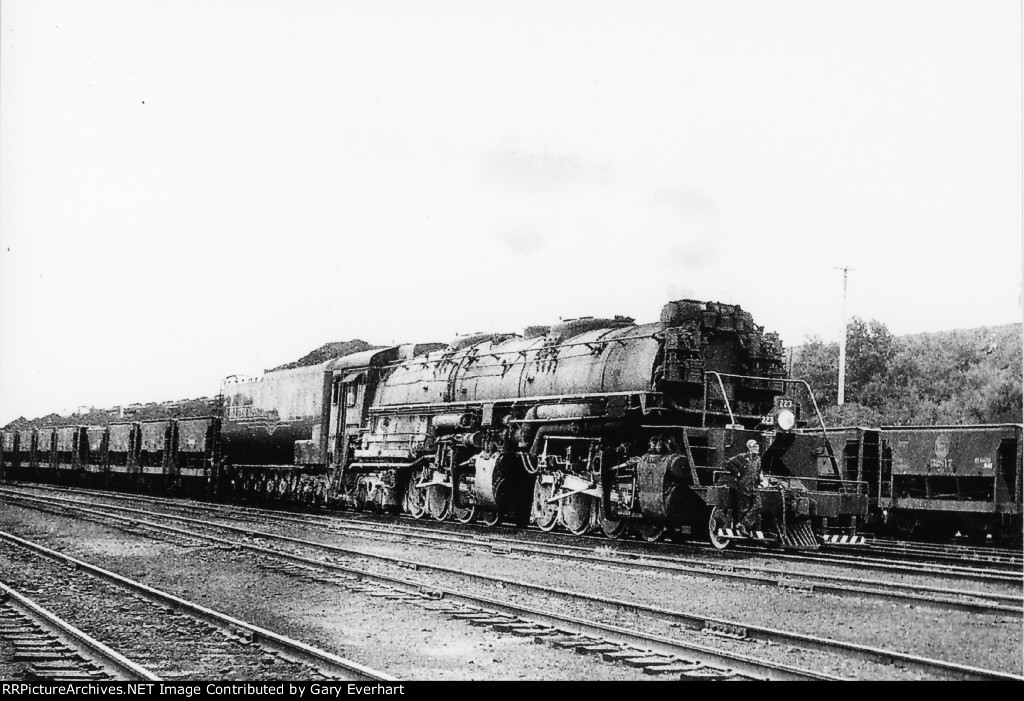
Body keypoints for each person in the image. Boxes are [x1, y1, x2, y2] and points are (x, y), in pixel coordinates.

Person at [725, 439, 763, 537]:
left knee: (758, 506)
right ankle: (743, 529)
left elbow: (758, 471)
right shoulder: (742, 457)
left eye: (757, 447)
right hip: (744, 486)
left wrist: (760, 478)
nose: (756, 448)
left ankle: (743, 524)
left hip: (754, 486)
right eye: (754, 447)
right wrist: (737, 473)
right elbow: (728, 462)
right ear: (749, 448)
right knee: (743, 509)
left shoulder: (758, 459)